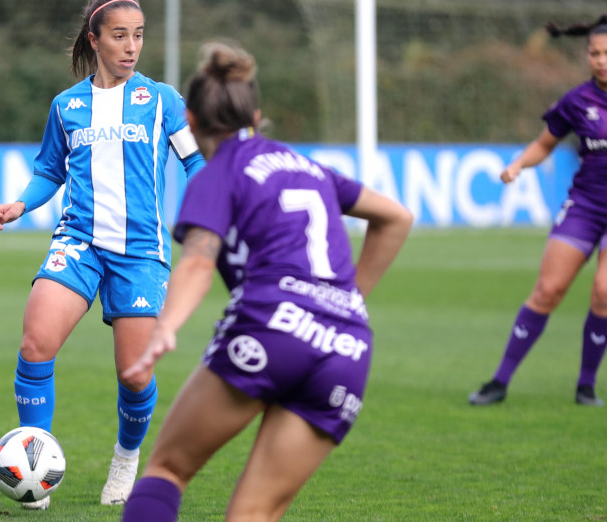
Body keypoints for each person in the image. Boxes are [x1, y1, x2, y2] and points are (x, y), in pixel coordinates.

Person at [119, 41, 413, 522]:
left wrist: (165, 327)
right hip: (347, 348)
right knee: (253, 513)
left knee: (169, 468)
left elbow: (196, 261)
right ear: (255, 114)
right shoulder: (308, 166)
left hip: (272, 327)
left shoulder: (218, 174)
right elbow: (397, 217)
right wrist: (348, 299)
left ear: (189, 120)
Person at [0, 0, 205, 509]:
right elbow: (49, 171)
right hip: (78, 242)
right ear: (95, 39)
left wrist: (209, 218)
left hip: (140, 251)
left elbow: (195, 166)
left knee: (136, 374)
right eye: (120, 35)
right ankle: (34, 465)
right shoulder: (67, 106)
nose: (131, 46)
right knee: (35, 344)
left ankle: (126, 459)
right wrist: (20, 204)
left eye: (139, 35)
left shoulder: (162, 100)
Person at [469, 13, 607, 407]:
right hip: (585, 206)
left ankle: (586, 386)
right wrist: (518, 164)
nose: (601, 60)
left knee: (604, 290)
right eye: (594, 53)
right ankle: (498, 382)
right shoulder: (577, 101)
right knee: (547, 290)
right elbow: (544, 144)